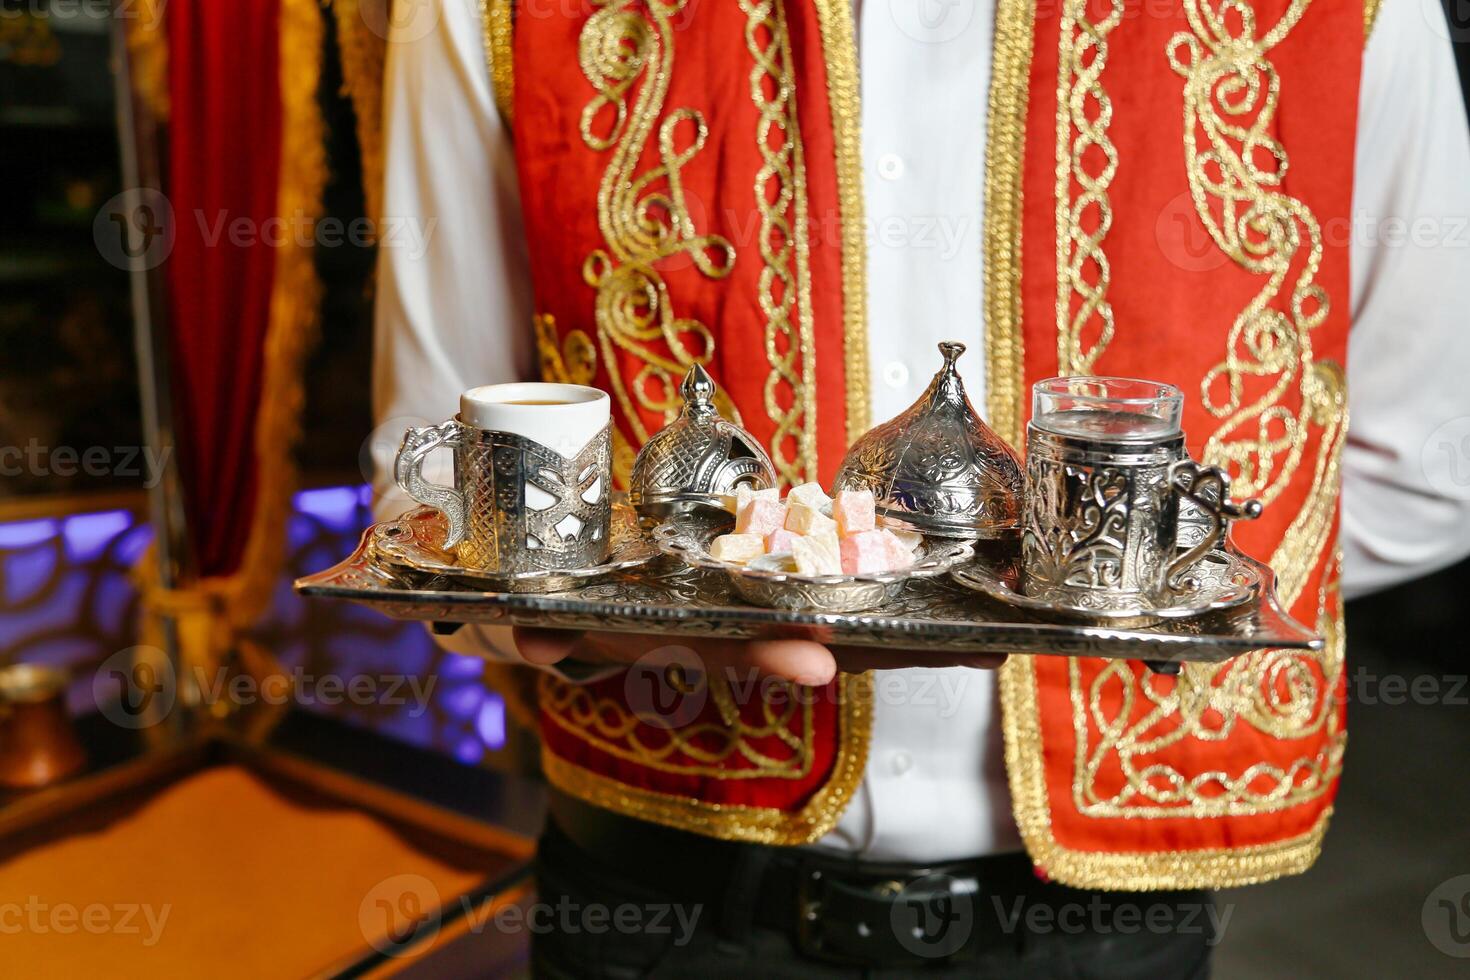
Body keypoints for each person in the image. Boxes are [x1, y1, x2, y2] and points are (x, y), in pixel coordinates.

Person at [371, 0, 1470, 974]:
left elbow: (1432, 464)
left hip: (1096, 926)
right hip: (661, 897)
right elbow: (428, 483)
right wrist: (594, 624)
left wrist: (1125, 587)